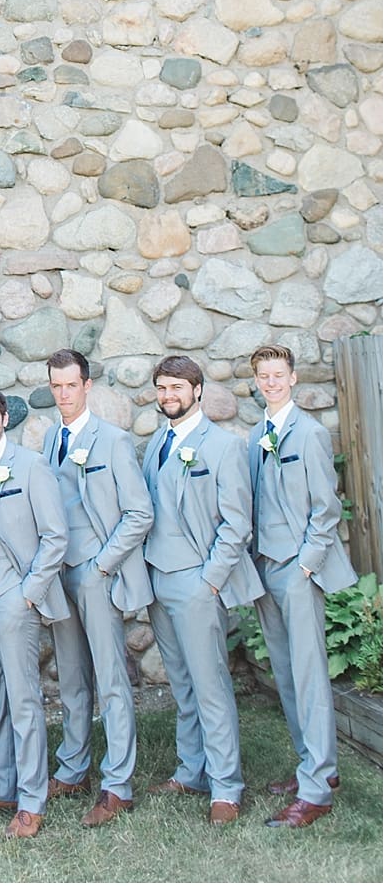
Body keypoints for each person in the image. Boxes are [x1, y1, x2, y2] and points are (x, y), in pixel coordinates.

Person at [141, 354, 261, 825]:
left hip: (197, 581)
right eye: (162, 389)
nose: (169, 396)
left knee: (211, 684)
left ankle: (227, 786)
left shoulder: (223, 446)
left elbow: (236, 524)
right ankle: (192, 769)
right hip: (159, 579)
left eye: (177, 388)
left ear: (196, 390)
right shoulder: (156, 444)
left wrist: (210, 580)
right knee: (182, 682)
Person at [247, 343, 358, 827]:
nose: (271, 382)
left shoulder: (310, 433)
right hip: (264, 565)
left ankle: (317, 790)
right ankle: (312, 765)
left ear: (292, 379)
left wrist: (306, 565)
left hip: (297, 568)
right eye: (263, 376)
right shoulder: (256, 434)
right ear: (256, 382)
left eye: (278, 375)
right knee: (286, 671)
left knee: (310, 675)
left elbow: (326, 508)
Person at [41, 347, 153, 828]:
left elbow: (139, 513)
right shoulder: (50, 438)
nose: (64, 394)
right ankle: (73, 768)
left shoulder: (113, 441)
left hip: (95, 571)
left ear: (87, 386)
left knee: (110, 679)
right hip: (58, 573)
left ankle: (118, 784)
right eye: (56, 386)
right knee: (71, 677)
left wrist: (103, 565)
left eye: (71, 385)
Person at [0, 386, 68, 840]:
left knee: (24, 700)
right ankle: (2, 784)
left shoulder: (31, 467)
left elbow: (55, 536)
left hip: (13, 598)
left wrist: (28, 594)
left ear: (5, 418)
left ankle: (33, 799)